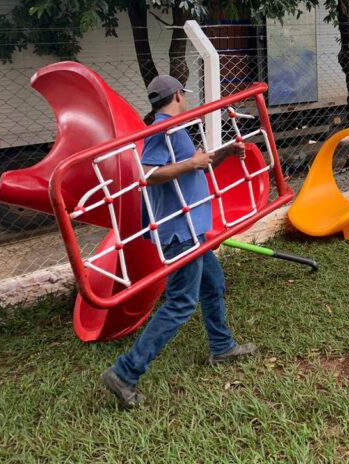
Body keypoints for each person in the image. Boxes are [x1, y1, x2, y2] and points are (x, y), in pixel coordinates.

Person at [101, 75, 256, 409]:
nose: (185, 99)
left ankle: (222, 346)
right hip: (179, 232)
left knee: (213, 284)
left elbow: (195, 167)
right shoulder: (162, 128)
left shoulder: (179, 127)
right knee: (181, 302)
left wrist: (226, 152)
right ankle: (125, 372)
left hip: (191, 228)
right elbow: (147, 173)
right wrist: (192, 162)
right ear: (176, 96)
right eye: (183, 95)